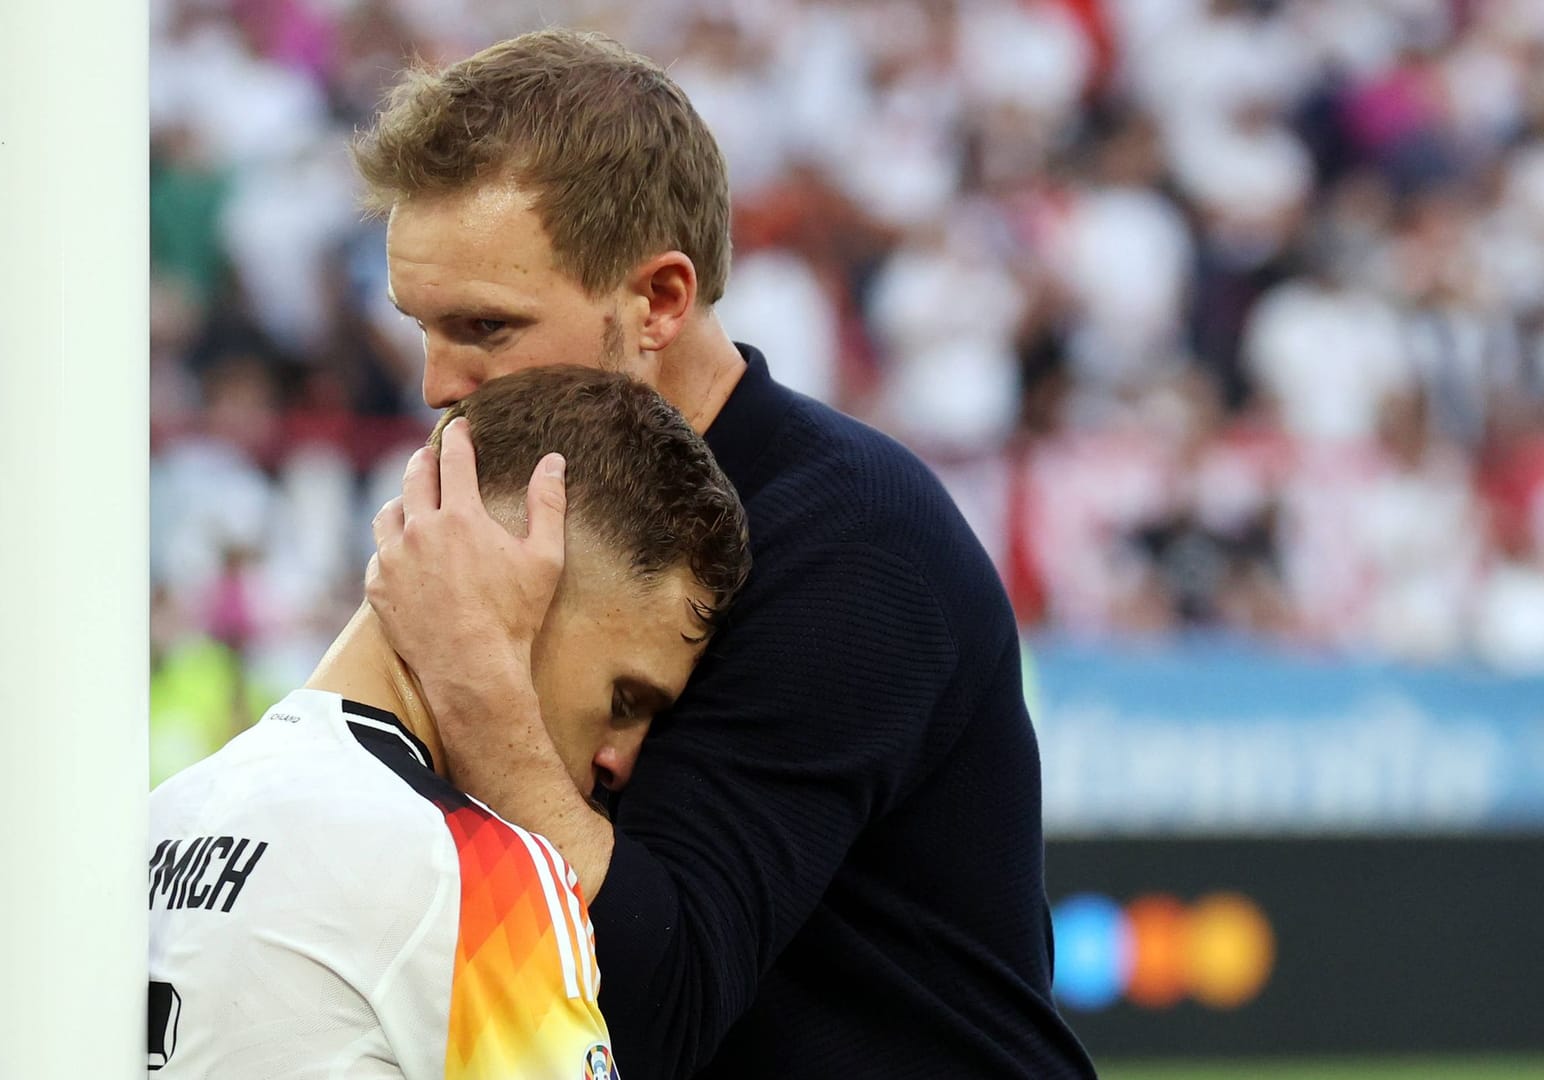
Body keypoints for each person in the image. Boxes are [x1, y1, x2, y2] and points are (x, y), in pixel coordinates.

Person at [355, 29, 1095, 1079]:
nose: (437, 383)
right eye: (420, 326)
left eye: (487, 326)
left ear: (658, 300)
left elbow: (658, 1003)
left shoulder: (853, 546)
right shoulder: (521, 515)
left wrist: (477, 686)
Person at [146, 365, 751, 1078]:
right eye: (625, 700)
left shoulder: (160, 820)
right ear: (514, 581)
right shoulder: (477, 874)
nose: (620, 757)